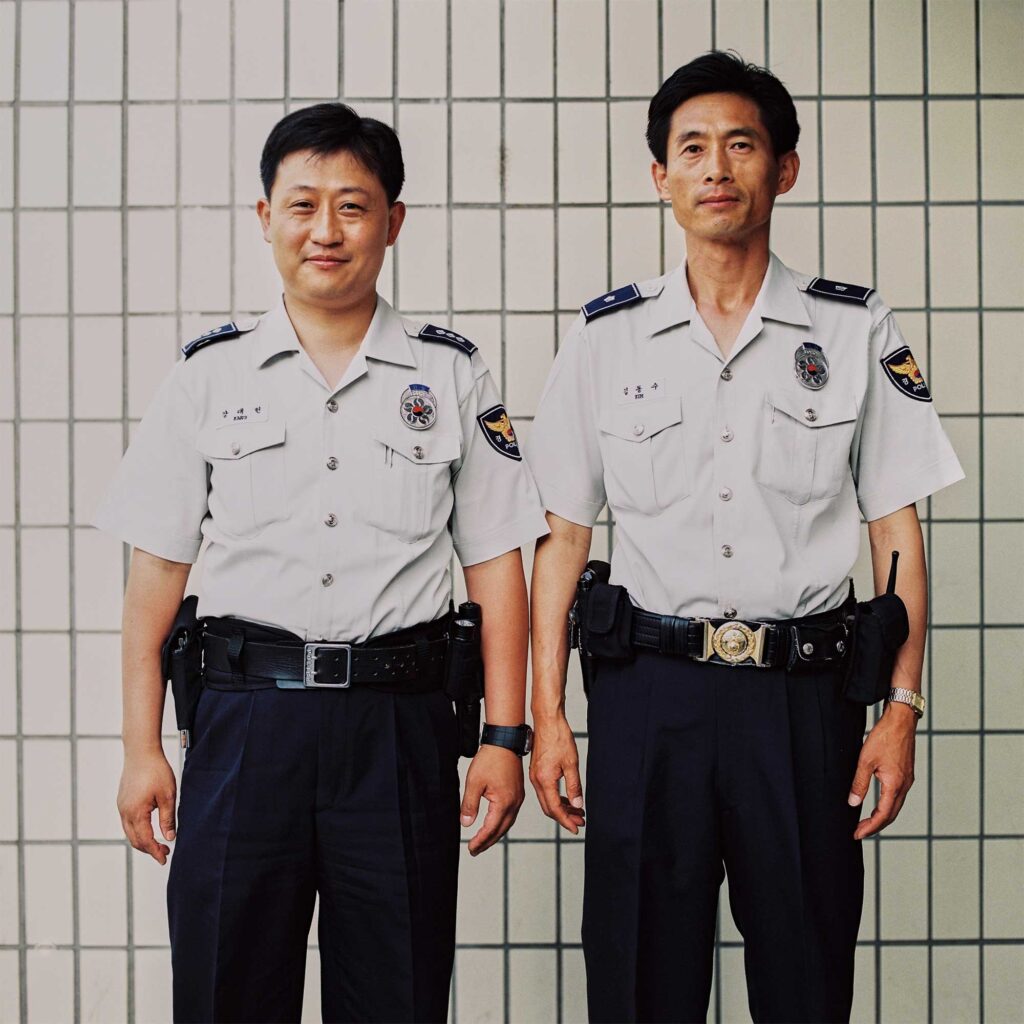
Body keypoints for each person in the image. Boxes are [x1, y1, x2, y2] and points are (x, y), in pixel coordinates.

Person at [526, 52, 963, 1024]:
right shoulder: (605, 339)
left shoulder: (853, 330)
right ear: (660, 179)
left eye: (740, 144)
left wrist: (900, 708)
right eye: (692, 148)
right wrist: (546, 714)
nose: (716, 165)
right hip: (649, 698)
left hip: (802, 704)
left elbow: (897, 530)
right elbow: (560, 536)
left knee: (804, 980)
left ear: (784, 168)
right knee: (641, 984)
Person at [93, 102, 547, 1024]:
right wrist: (142, 749)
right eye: (303, 205)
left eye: (353, 206)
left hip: (399, 731)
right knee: (227, 989)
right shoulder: (207, 377)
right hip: (244, 729)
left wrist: (504, 738)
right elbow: (154, 581)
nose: (326, 231)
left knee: (398, 994)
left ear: (393, 222)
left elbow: (500, 569)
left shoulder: (450, 375)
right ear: (266, 218)